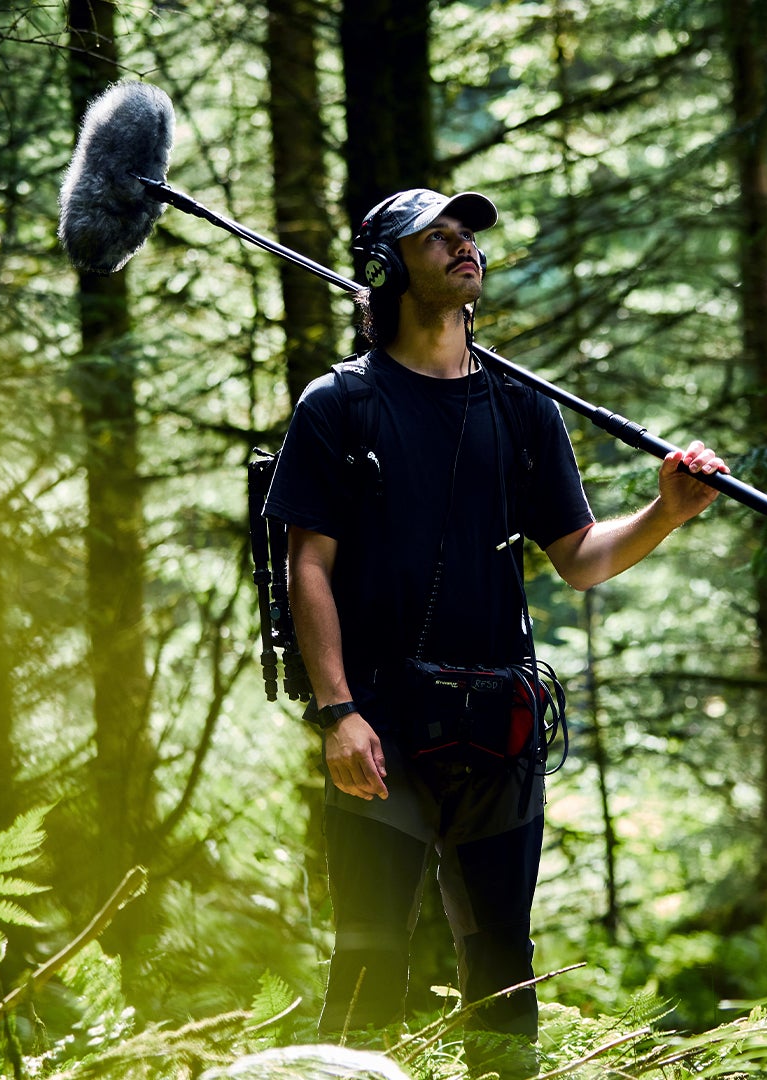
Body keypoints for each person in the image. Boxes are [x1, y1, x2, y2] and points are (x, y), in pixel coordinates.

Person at [264, 189, 727, 1075]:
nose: (461, 246)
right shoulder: (341, 405)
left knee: (503, 973)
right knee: (366, 959)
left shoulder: (523, 409)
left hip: (500, 731)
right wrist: (338, 713)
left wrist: (664, 514)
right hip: (383, 730)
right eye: (434, 238)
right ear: (389, 267)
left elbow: (582, 557)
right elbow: (308, 565)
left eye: (465, 234)